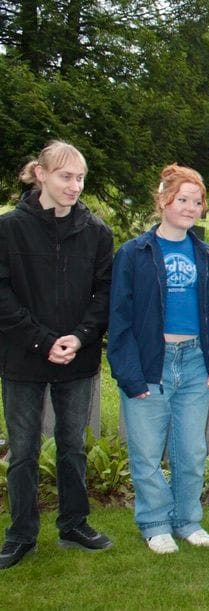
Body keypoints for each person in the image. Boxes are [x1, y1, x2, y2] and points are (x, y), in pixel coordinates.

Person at [0, 141, 114, 570]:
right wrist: (42, 339)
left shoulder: (97, 232)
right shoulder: (9, 229)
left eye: (80, 177)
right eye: (66, 176)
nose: (74, 185)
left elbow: (104, 295)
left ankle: (74, 525)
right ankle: (20, 535)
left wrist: (79, 337)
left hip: (77, 357)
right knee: (24, 450)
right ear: (41, 175)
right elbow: (2, 294)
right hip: (23, 358)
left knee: (72, 447)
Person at [108, 164, 209, 554]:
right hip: (150, 362)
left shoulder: (206, 255)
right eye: (183, 200)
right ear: (163, 201)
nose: (191, 207)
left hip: (193, 361)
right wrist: (129, 374)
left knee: (191, 450)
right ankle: (155, 522)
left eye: (197, 201)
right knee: (146, 452)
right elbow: (120, 317)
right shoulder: (134, 253)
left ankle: (187, 520)